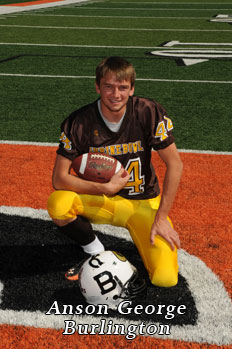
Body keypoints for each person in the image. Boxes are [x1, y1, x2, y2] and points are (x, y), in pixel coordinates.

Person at [47, 56, 183, 288]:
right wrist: (105, 188)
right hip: (104, 200)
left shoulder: (148, 111)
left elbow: (175, 165)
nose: (115, 94)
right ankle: (95, 251)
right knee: (59, 204)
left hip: (143, 203)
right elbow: (59, 179)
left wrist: (161, 218)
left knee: (165, 279)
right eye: (108, 86)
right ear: (97, 87)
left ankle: (150, 234)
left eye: (122, 87)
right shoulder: (79, 121)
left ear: (132, 89)